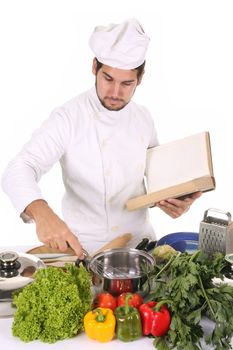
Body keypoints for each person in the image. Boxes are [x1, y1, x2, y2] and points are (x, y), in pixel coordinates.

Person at [1, 19, 201, 258]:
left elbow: (157, 180)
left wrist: (177, 202)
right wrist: (42, 213)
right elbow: (20, 168)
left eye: (127, 83)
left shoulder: (143, 117)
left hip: (140, 246)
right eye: (108, 79)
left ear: (141, 78)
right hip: (83, 248)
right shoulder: (68, 117)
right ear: (95, 66)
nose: (115, 93)